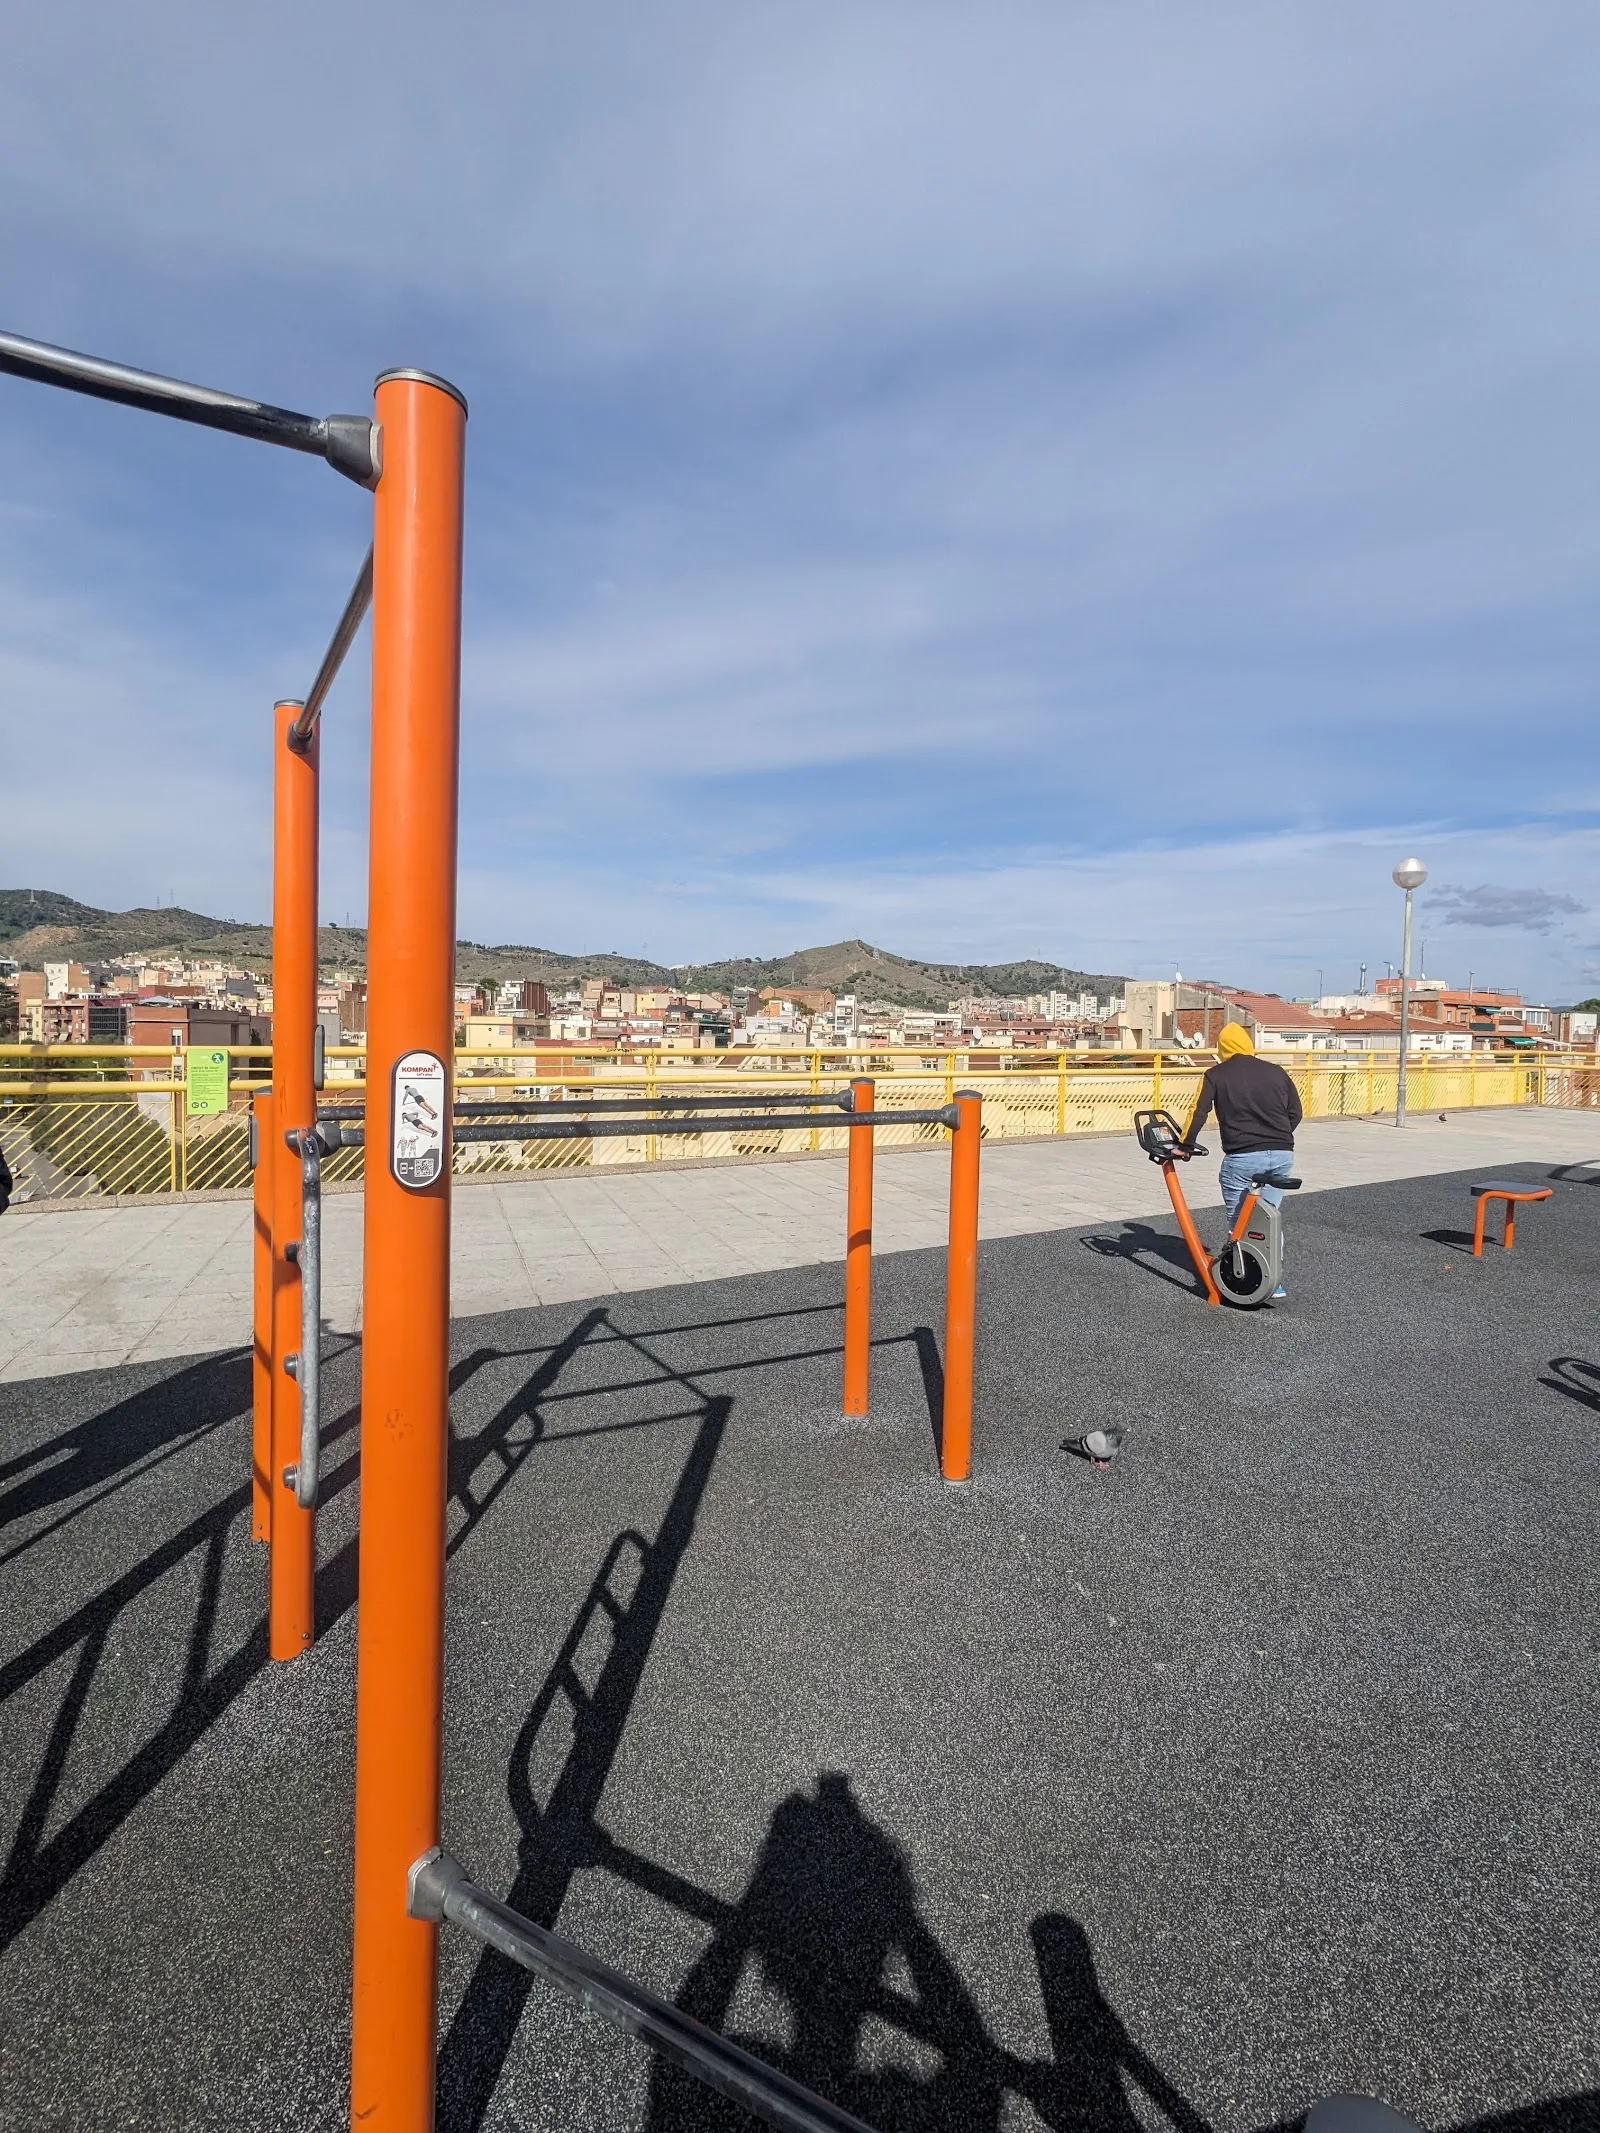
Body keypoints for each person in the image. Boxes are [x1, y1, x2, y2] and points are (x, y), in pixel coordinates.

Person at [1180, 1021, 1301, 1298]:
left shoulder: (1216, 1074)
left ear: (1222, 1048)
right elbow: (1296, 1112)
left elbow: (1198, 1111)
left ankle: (1245, 1278)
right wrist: (1277, 1137)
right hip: (1282, 1154)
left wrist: (1185, 1145)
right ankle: (1274, 1281)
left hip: (1243, 1157)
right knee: (1269, 1217)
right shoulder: (1276, 1071)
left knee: (1240, 1221)